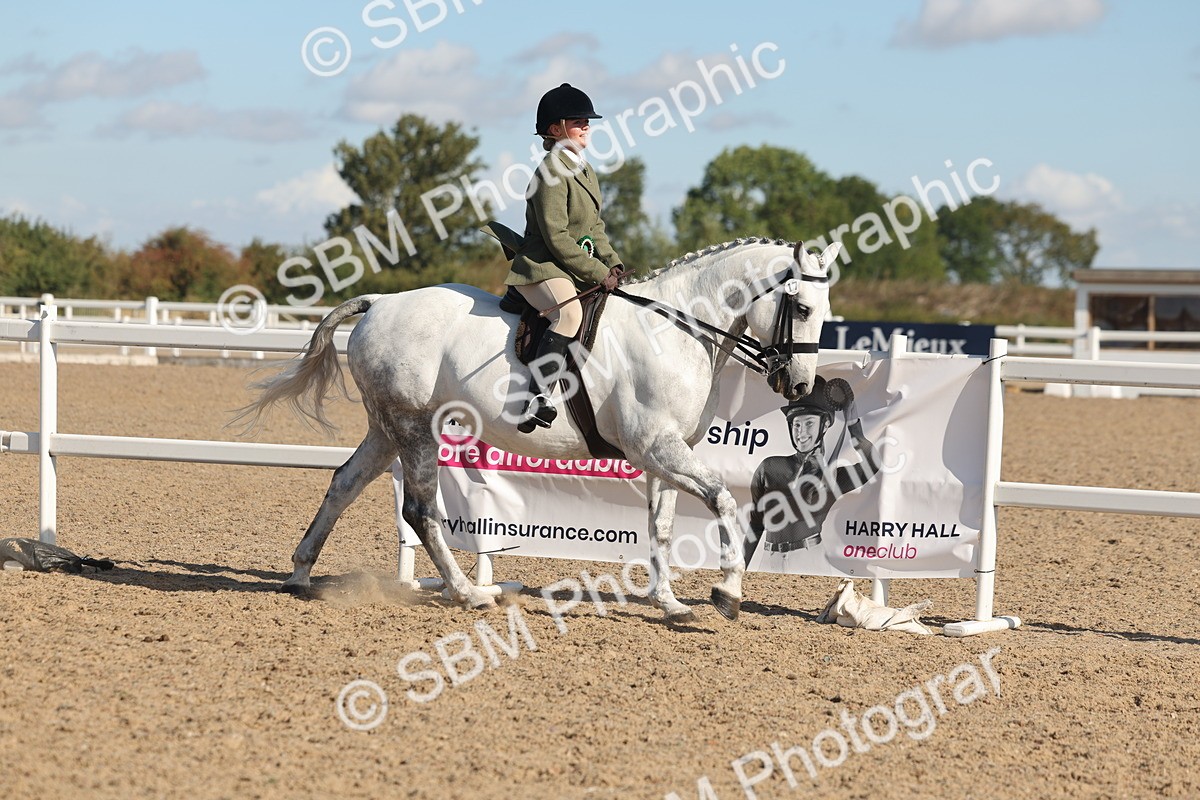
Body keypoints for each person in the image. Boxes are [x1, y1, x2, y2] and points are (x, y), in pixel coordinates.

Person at [504, 83, 626, 433]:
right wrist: (596, 270)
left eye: (587, 120)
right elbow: (557, 237)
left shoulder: (584, 169)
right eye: (577, 121)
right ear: (555, 129)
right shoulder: (550, 171)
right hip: (541, 267)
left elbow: (595, 227)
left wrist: (612, 261)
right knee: (570, 312)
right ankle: (535, 397)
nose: (586, 125)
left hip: (566, 265)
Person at [744, 376, 882, 566]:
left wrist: (853, 424)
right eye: (796, 424)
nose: (801, 433)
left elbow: (872, 463)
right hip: (768, 559)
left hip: (809, 558)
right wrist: (739, 569)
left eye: (809, 423)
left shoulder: (833, 476)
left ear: (825, 424)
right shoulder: (769, 468)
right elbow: (756, 524)